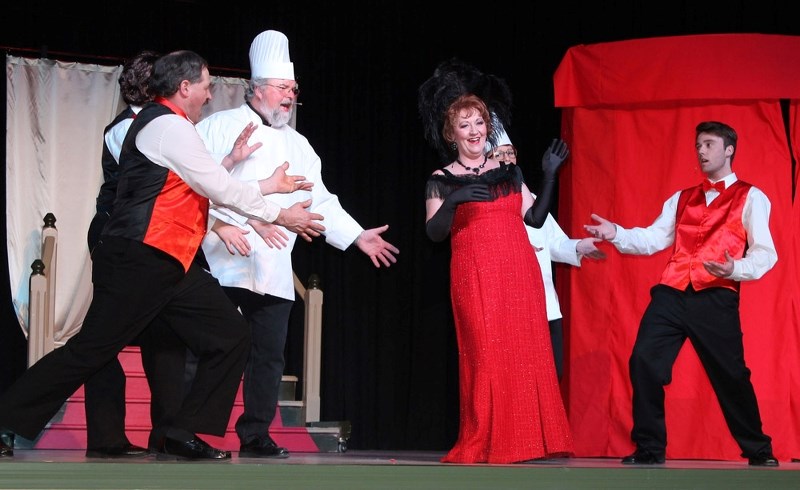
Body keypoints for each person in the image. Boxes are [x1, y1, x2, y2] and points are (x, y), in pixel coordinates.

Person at [0, 49, 325, 460]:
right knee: (92, 351)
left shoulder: (176, 128)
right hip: (139, 257)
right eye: (207, 87)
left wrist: (265, 187)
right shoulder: (167, 127)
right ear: (185, 87)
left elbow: (207, 186)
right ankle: (7, 420)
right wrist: (281, 214)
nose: (210, 96)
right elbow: (219, 188)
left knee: (230, 337)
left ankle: (180, 432)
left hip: (172, 260)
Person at [195, 29, 399, 459]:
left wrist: (356, 235)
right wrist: (227, 222)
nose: (290, 97)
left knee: (268, 355)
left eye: (293, 89)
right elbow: (200, 186)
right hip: (223, 259)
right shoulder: (217, 127)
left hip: (272, 264)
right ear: (259, 88)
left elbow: (320, 200)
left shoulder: (299, 144)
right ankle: (188, 430)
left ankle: (255, 435)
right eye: (283, 89)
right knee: (209, 347)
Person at [584, 121, 779, 467]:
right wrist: (616, 233)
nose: (701, 151)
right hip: (672, 294)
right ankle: (649, 448)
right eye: (698, 146)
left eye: (708, 144)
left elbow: (766, 253)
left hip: (715, 296)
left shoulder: (752, 197)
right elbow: (653, 240)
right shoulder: (682, 198)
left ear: (728, 149)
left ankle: (759, 450)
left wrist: (735, 270)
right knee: (644, 360)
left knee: (730, 374)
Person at [420, 80, 572, 462]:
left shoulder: (508, 173)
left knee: (524, 354)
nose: (474, 131)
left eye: (479, 123)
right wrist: (453, 200)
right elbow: (434, 233)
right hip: (474, 277)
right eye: (465, 125)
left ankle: (529, 442)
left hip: (519, 272)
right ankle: (487, 440)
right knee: (485, 355)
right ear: (452, 134)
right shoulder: (441, 180)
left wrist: (550, 175)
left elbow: (535, 220)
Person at [81, 49, 159, 459]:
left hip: (143, 236)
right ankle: (107, 437)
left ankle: (165, 434)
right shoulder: (126, 129)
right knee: (104, 339)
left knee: (163, 334)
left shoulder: (158, 125)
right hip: (116, 234)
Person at [486, 125, 605, 380]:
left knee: (551, 379)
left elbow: (555, 243)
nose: (507, 160)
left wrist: (579, 246)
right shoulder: (484, 207)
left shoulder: (533, 200)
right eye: (498, 155)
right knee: (517, 383)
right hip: (508, 311)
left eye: (510, 153)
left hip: (546, 309)